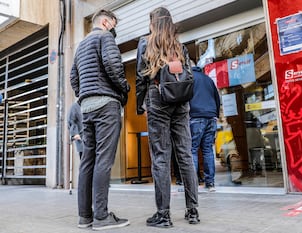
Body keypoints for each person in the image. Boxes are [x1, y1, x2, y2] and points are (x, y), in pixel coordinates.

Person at [136, 7, 200, 228]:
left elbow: (140, 78)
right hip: (181, 102)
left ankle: (163, 215)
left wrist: (139, 105)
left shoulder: (146, 43)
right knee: (185, 155)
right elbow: (187, 74)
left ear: (152, 23)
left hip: (158, 99)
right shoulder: (179, 46)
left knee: (161, 157)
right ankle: (193, 211)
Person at [70, 9, 130, 230]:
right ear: (106, 22)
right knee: (104, 161)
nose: (115, 28)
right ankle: (102, 217)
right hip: (106, 105)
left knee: (88, 161)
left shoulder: (81, 45)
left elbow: (73, 77)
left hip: (87, 108)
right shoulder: (105, 37)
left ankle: (85, 217)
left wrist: (85, 95)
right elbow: (114, 67)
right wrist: (125, 90)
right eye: (114, 23)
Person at [189, 61, 220, 192]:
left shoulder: (189, 78)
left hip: (196, 116)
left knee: (192, 150)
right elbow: (217, 98)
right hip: (211, 117)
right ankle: (210, 183)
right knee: (208, 150)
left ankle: (193, 184)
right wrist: (215, 114)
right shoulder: (208, 79)